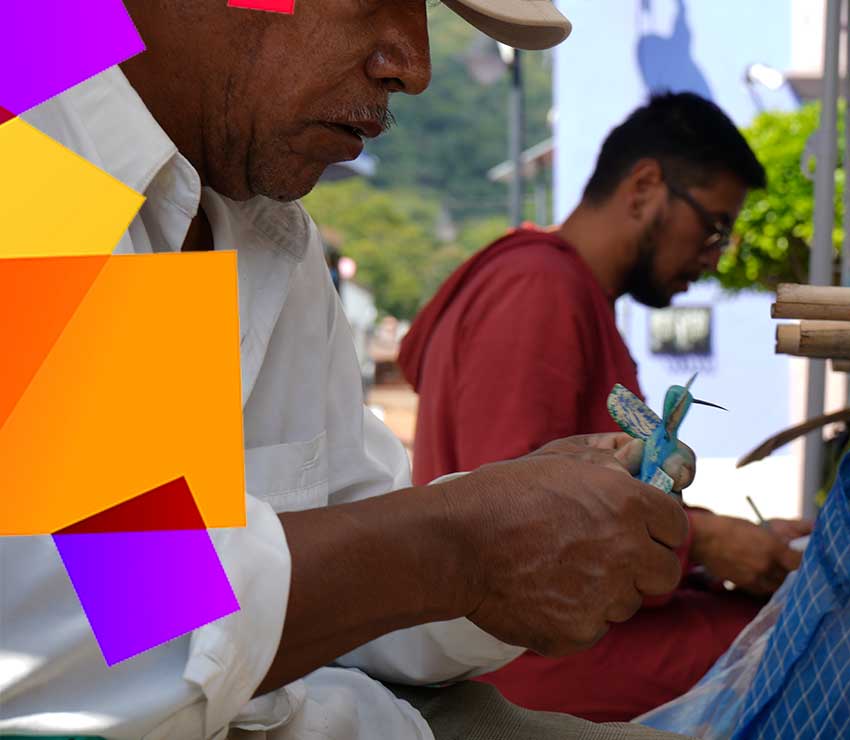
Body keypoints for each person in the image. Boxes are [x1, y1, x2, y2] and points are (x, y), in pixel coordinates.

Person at [0, 3, 700, 739]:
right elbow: (109, 630)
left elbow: (340, 555)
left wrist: (520, 523)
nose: (414, 66)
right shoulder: (29, 117)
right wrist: (456, 546)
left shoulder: (245, 211)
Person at [399, 92, 813, 722]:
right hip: (532, 657)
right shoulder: (538, 286)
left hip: (572, 631)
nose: (715, 257)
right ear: (645, 186)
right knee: (800, 646)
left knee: (787, 620)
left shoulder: (566, 291)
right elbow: (516, 520)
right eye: (713, 228)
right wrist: (702, 540)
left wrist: (718, 540)